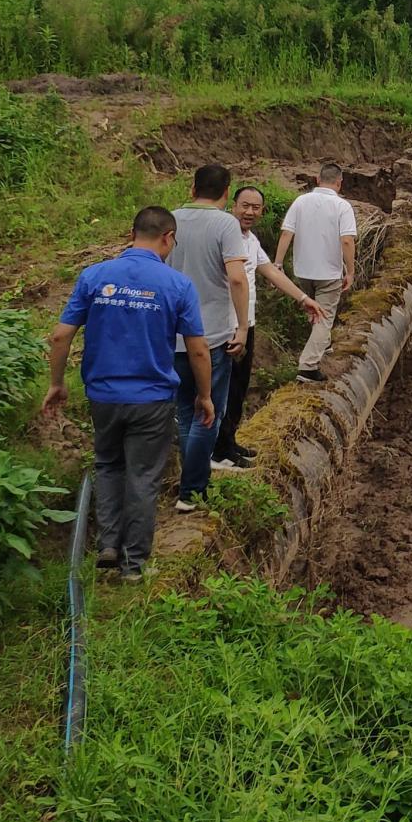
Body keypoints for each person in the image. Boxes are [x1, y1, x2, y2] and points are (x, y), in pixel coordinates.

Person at [43, 206, 215, 583]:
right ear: (168, 237)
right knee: (143, 476)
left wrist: (56, 384)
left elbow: (59, 336)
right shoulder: (176, 285)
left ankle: (108, 544)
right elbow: (198, 349)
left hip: (103, 396)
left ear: (132, 232)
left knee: (108, 465)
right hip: (151, 399)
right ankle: (134, 565)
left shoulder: (94, 276)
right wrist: (204, 395)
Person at [212, 185, 327, 468]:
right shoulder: (224, 235)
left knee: (238, 389)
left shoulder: (250, 240)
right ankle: (217, 451)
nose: (249, 212)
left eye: (255, 207)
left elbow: (270, 271)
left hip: (246, 324)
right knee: (223, 389)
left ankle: (229, 443)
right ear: (233, 205)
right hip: (227, 326)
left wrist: (303, 298)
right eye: (245, 206)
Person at [168, 164, 249, 511]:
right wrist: (242, 327)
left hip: (171, 336)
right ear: (227, 191)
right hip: (211, 334)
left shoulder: (169, 219)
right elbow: (236, 278)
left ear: (192, 188)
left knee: (186, 412)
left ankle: (191, 481)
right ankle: (193, 490)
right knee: (208, 413)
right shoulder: (226, 224)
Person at [275, 163, 357, 383]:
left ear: (317, 179)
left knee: (313, 311)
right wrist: (350, 270)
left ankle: (323, 342)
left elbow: (286, 233)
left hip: (303, 270)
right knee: (324, 317)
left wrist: (278, 264)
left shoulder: (300, 201)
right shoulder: (342, 206)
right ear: (339, 183)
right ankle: (308, 367)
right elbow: (347, 240)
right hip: (329, 272)